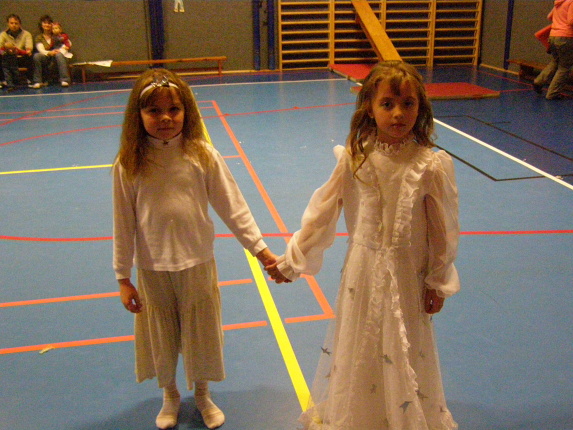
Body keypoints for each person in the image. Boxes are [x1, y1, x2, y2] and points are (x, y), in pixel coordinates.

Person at [266, 61, 460, 429]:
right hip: (363, 272)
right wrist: (292, 261)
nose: (398, 113)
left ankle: (401, 413)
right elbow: (322, 212)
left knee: (404, 341)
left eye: (408, 104)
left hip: (407, 274)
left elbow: (442, 230)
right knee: (362, 343)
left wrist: (438, 281)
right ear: (369, 108)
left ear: (420, 108)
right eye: (387, 104)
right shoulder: (355, 159)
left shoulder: (429, 165)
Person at [113, 68, 277, 429]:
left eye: (174, 109)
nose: (165, 118)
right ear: (138, 116)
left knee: (200, 333)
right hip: (153, 268)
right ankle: (170, 394)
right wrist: (123, 277)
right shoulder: (130, 163)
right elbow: (122, 224)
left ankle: (202, 394)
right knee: (162, 336)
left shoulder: (203, 155)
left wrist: (261, 250)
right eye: (154, 111)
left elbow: (234, 208)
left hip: (197, 263)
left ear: (187, 111)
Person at [533, 0, 573, 100]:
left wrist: (560, 21)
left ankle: (538, 81)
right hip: (566, 37)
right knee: (564, 67)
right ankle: (553, 93)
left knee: (556, 61)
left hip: (553, 36)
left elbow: (549, 16)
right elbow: (571, 21)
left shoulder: (560, 2)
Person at [31, 15, 71, 88]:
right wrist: (49, 52)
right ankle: (37, 81)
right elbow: (41, 49)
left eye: (49, 23)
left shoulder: (58, 34)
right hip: (46, 57)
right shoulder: (39, 37)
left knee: (59, 55)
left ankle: (65, 80)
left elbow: (68, 43)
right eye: (44, 23)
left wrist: (61, 49)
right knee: (37, 56)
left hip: (58, 56)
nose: (47, 25)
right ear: (41, 24)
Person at [0, 14, 33, 91]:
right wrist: (6, 51)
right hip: (7, 57)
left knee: (31, 56)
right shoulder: (3, 34)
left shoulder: (26, 34)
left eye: (16, 23)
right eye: (11, 23)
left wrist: (17, 51)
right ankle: (2, 80)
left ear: (20, 24)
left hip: (21, 58)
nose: (14, 25)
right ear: (8, 24)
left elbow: (29, 48)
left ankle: (30, 79)